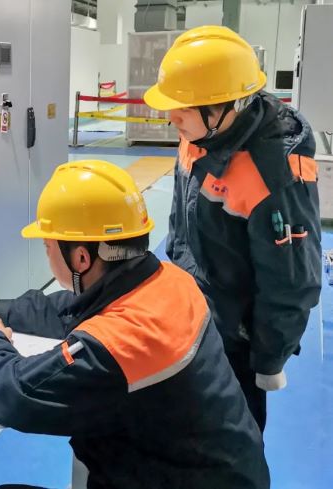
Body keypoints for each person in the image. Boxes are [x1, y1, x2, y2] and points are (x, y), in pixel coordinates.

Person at [0, 160, 269, 489]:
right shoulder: (169, 280)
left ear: (81, 257)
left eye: (48, 246)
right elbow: (71, 308)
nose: (47, 254)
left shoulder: (118, 344)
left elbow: (11, 394)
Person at [143, 25, 321, 432]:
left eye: (182, 108)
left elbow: (291, 279)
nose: (171, 118)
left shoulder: (274, 175)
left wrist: (269, 359)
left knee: (234, 440)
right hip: (193, 318)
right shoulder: (197, 135)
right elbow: (180, 225)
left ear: (226, 106)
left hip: (236, 341)